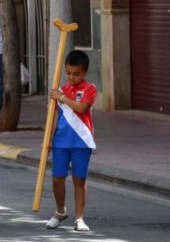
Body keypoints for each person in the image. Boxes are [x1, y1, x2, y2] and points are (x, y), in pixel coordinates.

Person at [46, 50, 97, 233]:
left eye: (76, 74)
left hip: (81, 142)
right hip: (60, 142)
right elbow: (54, 118)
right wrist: (48, 140)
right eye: (68, 73)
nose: (71, 77)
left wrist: (61, 97)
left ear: (84, 73)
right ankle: (60, 211)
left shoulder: (90, 89)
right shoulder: (60, 90)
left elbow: (82, 108)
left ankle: (79, 217)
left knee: (79, 180)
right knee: (57, 179)